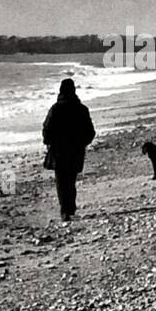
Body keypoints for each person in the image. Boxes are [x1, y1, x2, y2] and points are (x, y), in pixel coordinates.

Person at [42, 78, 96, 221]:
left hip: (58, 151)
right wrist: (82, 144)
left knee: (61, 182)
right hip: (75, 151)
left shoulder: (55, 108)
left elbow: (46, 129)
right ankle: (70, 209)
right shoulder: (82, 109)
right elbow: (90, 132)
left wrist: (48, 142)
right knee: (71, 181)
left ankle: (64, 210)